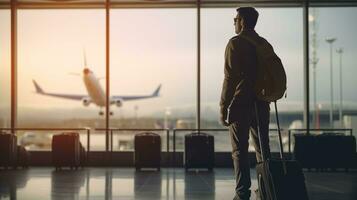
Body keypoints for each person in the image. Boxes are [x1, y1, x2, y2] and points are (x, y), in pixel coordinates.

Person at [219, 7, 271, 200]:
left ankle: (242, 193)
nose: (234, 22)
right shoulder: (263, 43)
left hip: (241, 103)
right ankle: (267, 188)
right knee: (263, 148)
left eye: (235, 19)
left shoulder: (236, 43)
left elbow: (230, 78)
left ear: (241, 21)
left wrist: (223, 106)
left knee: (239, 150)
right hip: (262, 103)